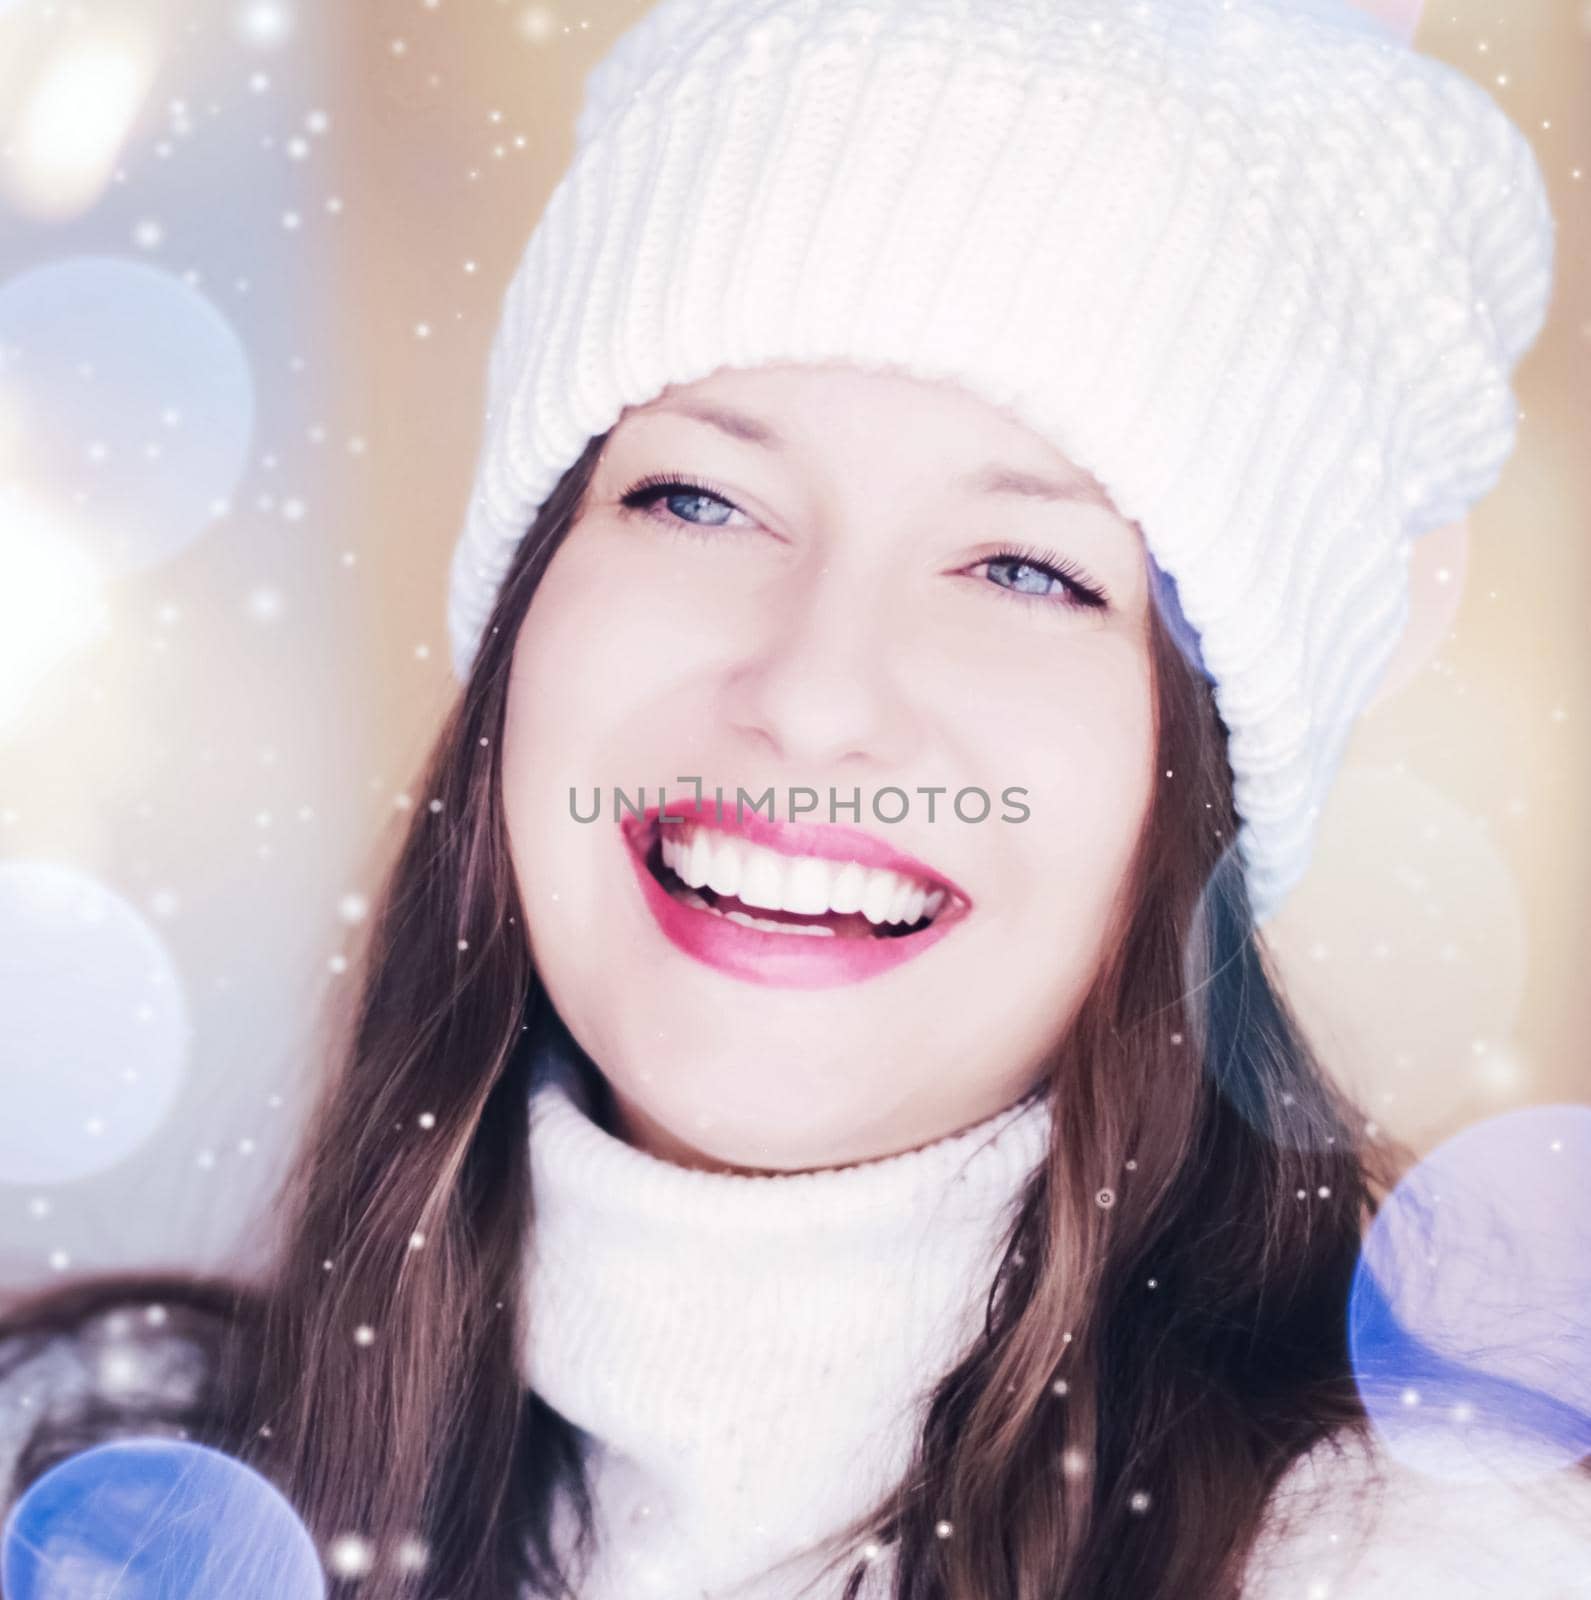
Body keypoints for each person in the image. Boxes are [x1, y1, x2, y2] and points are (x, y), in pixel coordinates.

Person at [2, 0, 1587, 1596]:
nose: (816, 692)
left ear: (1196, 792)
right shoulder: (102, 1485)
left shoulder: (1433, 1562)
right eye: (700, 497)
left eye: (1028, 569)